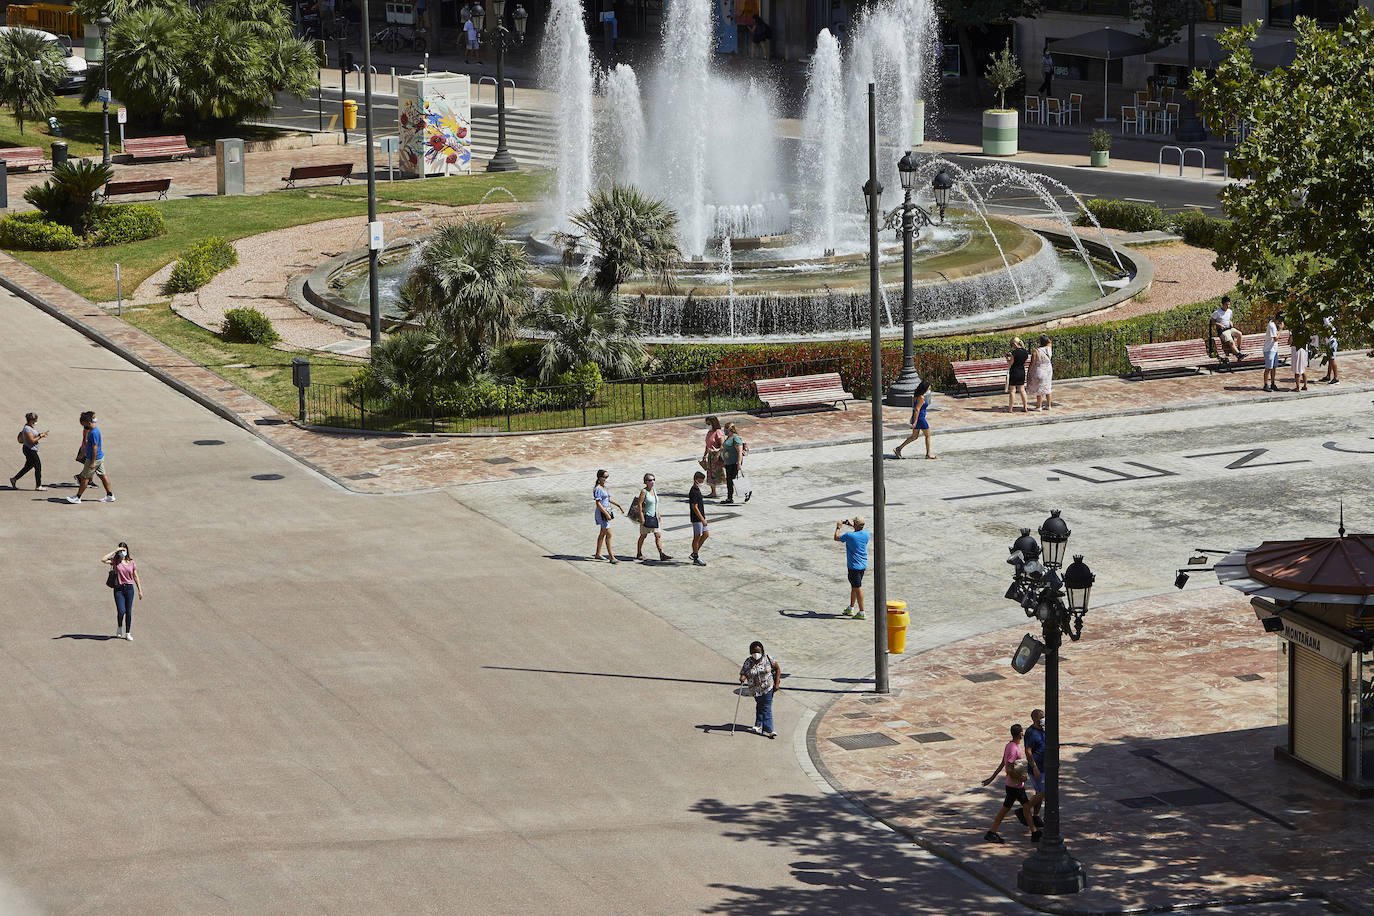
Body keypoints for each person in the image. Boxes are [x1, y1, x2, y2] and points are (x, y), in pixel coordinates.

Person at [981, 723, 1038, 843]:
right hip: (1015, 786)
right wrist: (1021, 778)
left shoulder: (1009, 746)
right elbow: (1009, 769)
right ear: (1020, 734)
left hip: (1014, 785)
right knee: (1010, 809)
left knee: (1024, 807)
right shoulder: (1013, 749)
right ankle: (991, 832)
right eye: (1022, 732)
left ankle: (1034, 832)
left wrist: (991, 778)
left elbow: (1003, 763)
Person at [67, 411, 114, 504]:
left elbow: (95, 448)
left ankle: (78, 497)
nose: (83, 426)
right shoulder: (92, 431)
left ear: (89, 423)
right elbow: (88, 445)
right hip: (99, 458)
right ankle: (110, 495)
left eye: (83, 424)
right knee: (102, 476)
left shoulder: (93, 433)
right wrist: (82, 453)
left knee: (85, 478)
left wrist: (92, 462)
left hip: (94, 459)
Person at [738, 640, 780, 738]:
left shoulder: (768, 659)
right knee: (760, 705)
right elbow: (744, 672)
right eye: (754, 652)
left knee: (766, 708)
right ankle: (758, 724)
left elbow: (777, 669)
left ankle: (769, 729)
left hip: (767, 688)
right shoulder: (748, 662)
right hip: (755, 690)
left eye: (758, 652)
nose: (756, 654)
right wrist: (742, 678)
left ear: (762, 652)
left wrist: (777, 683)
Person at [102, 541, 143, 640]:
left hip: (129, 589)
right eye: (121, 550)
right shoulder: (115, 561)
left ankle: (128, 633)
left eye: (124, 550)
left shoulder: (131, 562)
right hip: (118, 589)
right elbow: (103, 559)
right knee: (121, 610)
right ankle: (119, 626)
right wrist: (115, 551)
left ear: (127, 550)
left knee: (128, 611)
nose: (122, 552)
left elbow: (135, 576)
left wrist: (140, 590)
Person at [834, 516, 870, 620]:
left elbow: (836, 537)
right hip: (862, 565)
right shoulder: (866, 534)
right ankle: (851, 608)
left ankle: (862, 612)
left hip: (854, 567)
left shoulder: (849, 536)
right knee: (854, 587)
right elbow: (858, 533)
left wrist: (838, 527)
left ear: (855, 525)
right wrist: (853, 526)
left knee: (858, 588)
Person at [633, 473, 672, 561]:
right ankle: (639, 553)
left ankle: (661, 554)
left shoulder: (654, 490)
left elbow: (655, 503)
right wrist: (641, 517)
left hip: (654, 516)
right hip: (646, 517)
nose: (652, 482)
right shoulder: (644, 491)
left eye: (653, 479)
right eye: (650, 480)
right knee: (643, 536)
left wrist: (658, 513)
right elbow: (639, 505)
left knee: (658, 535)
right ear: (645, 482)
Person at [894, 381, 936, 460]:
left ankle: (899, 448)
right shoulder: (921, 397)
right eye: (929, 387)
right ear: (925, 388)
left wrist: (913, 418)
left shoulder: (916, 395)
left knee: (914, 436)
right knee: (927, 435)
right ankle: (928, 454)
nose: (929, 388)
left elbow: (914, 408)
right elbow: (917, 409)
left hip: (917, 418)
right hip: (920, 419)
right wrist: (915, 421)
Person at [592, 469, 624, 563]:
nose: (606, 479)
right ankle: (611, 557)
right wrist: (606, 513)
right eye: (604, 477)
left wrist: (619, 505)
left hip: (607, 511)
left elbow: (609, 499)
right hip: (602, 513)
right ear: (599, 477)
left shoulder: (605, 487)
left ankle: (598, 553)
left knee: (602, 533)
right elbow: (598, 503)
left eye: (607, 477)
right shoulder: (597, 489)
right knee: (609, 534)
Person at [1024, 708, 1047, 838]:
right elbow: (1028, 751)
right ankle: (1026, 809)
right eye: (1040, 717)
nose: (1042, 719)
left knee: (1040, 793)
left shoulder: (1044, 729)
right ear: (1034, 719)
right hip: (1038, 768)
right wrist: (1035, 768)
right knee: (1043, 792)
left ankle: (1036, 816)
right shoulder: (1031, 733)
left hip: (1045, 766)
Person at [11, 412, 47, 491]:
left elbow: (33, 436)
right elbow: (32, 440)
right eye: (36, 420)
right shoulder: (27, 428)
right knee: (38, 466)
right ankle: (38, 486)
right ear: (32, 420)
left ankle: (14, 479)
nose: (37, 421)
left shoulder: (30, 426)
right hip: (30, 450)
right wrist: (41, 436)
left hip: (30, 449)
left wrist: (40, 434)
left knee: (28, 466)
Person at [720, 422, 748, 505]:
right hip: (728, 462)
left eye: (726, 429)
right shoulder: (728, 437)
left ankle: (746, 491)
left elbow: (739, 451)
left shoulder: (735, 438)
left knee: (733, 479)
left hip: (734, 462)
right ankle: (729, 498)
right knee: (729, 480)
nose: (724, 431)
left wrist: (739, 463)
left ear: (730, 430)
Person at [1211, 296, 1246, 362]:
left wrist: (1231, 323)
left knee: (1240, 334)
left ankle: (1239, 349)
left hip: (1230, 328)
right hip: (1223, 331)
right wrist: (1219, 324)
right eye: (1226, 305)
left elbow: (1229, 319)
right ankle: (1238, 355)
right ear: (1223, 304)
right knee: (1231, 341)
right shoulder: (1217, 312)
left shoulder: (1230, 311)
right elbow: (1212, 321)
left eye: (1229, 304)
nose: (1228, 306)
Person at [1026, 334, 1054, 411]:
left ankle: (1039, 406)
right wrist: (1045, 337)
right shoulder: (1049, 348)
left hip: (1040, 369)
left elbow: (1032, 363)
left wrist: (1029, 372)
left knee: (1039, 388)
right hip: (1048, 369)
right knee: (1048, 386)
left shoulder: (1036, 351)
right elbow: (1049, 341)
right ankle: (1048, 405)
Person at [688, 471, 709, 566]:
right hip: (697, 519)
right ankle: (696, 557)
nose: (701, 483)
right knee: (696, 537)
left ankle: (694, 553)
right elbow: (694, 507)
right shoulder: (693, 492)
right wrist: (702, 519)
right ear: (695, 480)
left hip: (701, 517)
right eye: (700, 481)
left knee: (706, 534)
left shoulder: (697, 490)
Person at [703, 415, 726, 498]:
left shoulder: (718, 432)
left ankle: (731, 488)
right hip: (710, 456)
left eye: (709, 423)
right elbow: (707, 445)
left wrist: (717, 454)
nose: (707, 425)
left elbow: (722, 445)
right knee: (710, 473)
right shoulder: (709, 433)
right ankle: (713, 492)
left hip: (717, 456)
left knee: (721, 474)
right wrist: (704, 455)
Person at [1006, 337, 1030, 412]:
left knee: (1012, 391)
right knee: (1022, 390)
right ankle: (1025, 406)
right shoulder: (1025, 352)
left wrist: (1007, 358)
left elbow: (1010, 363)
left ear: (1014, 344)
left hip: (1014, 371)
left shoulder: (1014, 353)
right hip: (1021, 371)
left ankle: (1010, 408)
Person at [1261, 312, 1282, 392]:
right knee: (1268, 368)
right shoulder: (1272, 326)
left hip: (1274, 349)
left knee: (1274, 367)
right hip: (1269, 350)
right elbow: (1275, 338)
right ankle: (1265, 384)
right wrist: (1280, 330)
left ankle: (1273, 383)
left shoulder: (1273, 324)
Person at [1321, 315, 1339, 384]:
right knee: (1330, 359)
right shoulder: (1331, 316)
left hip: (1331, 341)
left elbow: (1327, 327)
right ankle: (1328, 376)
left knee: (1332, 359)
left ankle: (1336, 377)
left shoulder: (1326, 318)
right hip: (1330, 341)